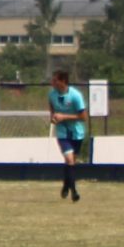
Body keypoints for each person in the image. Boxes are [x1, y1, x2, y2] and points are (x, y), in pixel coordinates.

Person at [47, 68, 88, 202]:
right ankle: (74, 192)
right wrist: (53, 118)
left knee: (71, 162)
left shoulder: (75, 96)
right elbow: (52, 112)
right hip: (62, 133)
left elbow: (83, 117)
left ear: (63, 81)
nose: (52, 82)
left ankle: (66, 185)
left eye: (55, 80)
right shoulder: (52, 95)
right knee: (69, 159)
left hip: (77, 133)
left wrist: (64, 116)